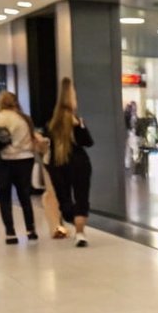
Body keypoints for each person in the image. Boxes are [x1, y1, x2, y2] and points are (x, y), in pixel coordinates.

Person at [0, 91, 40, 244]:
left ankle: (10, 233)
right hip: (24, 159)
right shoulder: (24, 118)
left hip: (3, 162)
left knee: (4, 196)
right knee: (24, 196)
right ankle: (30, 230)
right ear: (15, 102)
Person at [44, 77, 94, 247]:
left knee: (64, 200)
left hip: (58, 164)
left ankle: (76, 226)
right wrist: (80, 127)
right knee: (82, 197)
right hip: (79, 162)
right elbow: (88, 142)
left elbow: (47, 147)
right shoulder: (76, 121)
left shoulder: (51, 124)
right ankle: (80, 232)